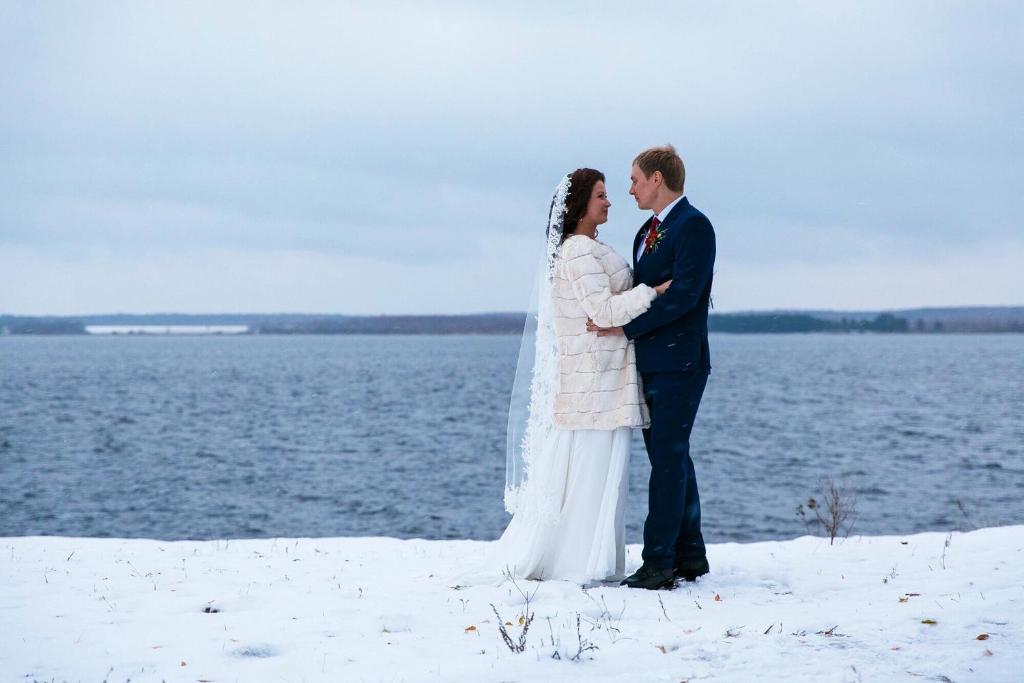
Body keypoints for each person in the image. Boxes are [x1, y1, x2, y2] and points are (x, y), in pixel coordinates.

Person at [493, 168, 670, 583]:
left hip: (601, 377)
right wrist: (652, 293)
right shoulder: (577, 252)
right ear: (579, 205)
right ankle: (578, 562)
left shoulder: (589, 248)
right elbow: (603, 311)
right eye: (601, 196)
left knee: (599, 473)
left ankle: (592, 558)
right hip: (595, 380)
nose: (609, 202)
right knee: (592, 473)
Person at [589, 144, 716, 590]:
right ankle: (690, 554)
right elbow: (644, 289)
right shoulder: (647, 229)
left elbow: (684, 296)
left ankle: (659, 561)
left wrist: (624, 328)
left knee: (667, 459)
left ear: (657, 179)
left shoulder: (694, 226)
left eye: (635, 180)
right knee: (672, 456)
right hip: (649, 361)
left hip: (681, 361)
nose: (630, 190)